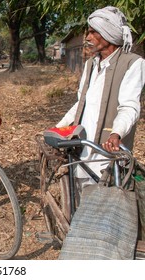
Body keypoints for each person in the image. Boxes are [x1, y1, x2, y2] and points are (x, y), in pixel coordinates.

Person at [56, 6, 145, 189]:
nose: (88, 38)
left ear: (108, 33)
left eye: (93, 32)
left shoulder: (132, 63)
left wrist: (116, 133)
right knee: (80, 200)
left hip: (105, 152)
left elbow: (130, 106)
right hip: (82, 148)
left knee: (104, 205)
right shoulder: (90, 65)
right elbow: (81, 104)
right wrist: (58, 128)